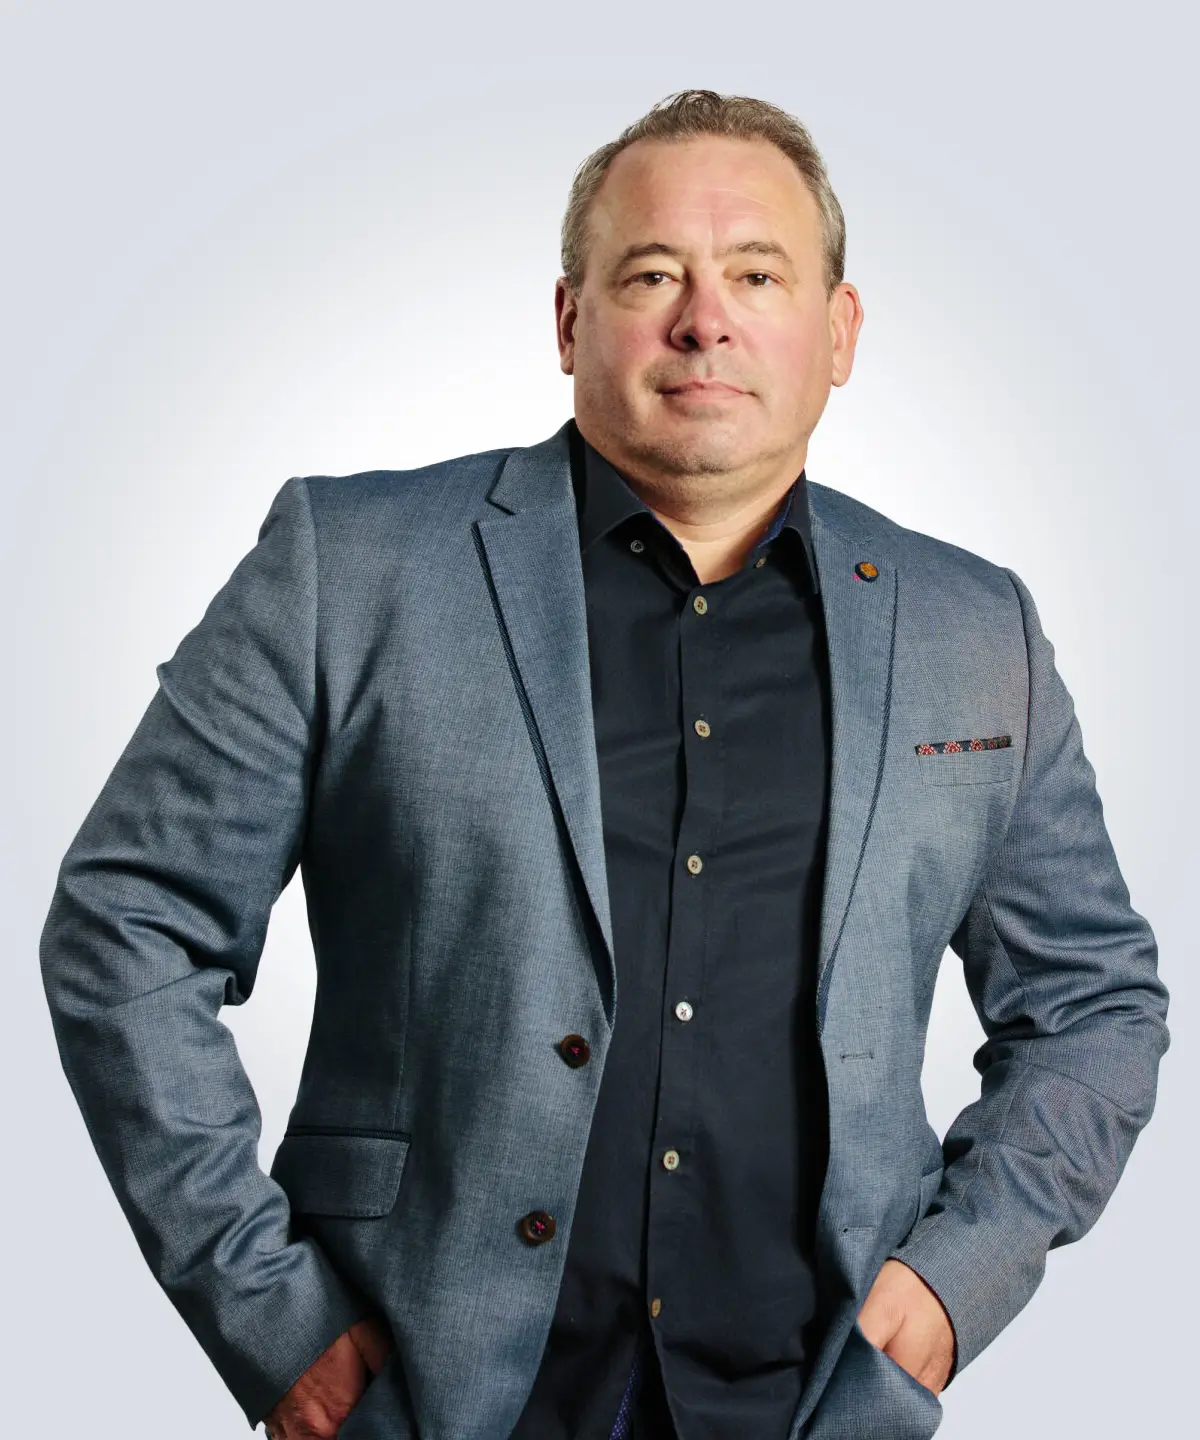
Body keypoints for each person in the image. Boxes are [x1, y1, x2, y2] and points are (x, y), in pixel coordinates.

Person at [39, 88, 1169, 1440]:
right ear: (571, 320)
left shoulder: (976, 631)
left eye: (758, 274)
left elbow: (1095, 1003)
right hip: (429, 1392)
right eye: (651, 276)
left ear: (839, 331)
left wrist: (952, 1288)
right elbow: (128, 923)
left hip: (816, 1400)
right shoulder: (350, 569)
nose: (706, 320)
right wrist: (272, 1324)